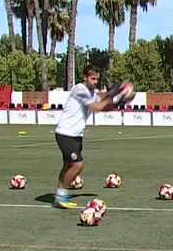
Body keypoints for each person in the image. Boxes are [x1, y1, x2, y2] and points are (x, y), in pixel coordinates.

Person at [53, 66, 132, 209]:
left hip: (75, 134)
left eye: (97, 79)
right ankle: (61, 196)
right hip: (66, 132)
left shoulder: (91, 93)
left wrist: (118, 102)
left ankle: (59, 196)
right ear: (85, 77)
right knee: (77, 165)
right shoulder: (80, 89)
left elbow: (101, 107)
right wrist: (111, 94)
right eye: (92, 78)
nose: (95, 81)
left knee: (68, 165)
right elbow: (97, 107)